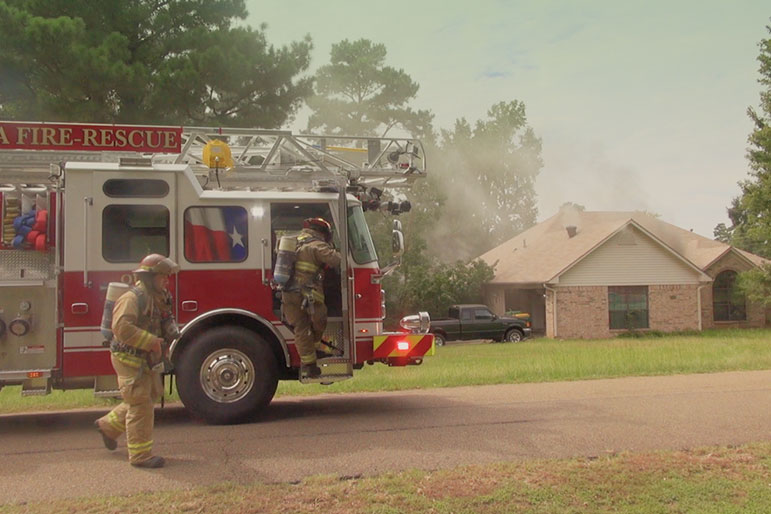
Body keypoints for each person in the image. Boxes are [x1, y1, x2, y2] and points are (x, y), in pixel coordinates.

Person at [94, 253, 180, 468]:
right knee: (141, 404)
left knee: (145, 396)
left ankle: (108, 426)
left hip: (143, 357)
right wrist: (150, 341)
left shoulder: (157, 297)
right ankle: (140, 456)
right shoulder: (132, 298)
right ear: (149, 278)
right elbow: (121, 328)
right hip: (128, 358)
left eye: (167, 277)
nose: (166, 281)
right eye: (162, 277)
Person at [281, 217, 342, 378]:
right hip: (308, 295)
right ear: (323, 232)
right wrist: (334, 249)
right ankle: (314, 348)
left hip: (288, 295)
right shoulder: (316, 245)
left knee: (301, 328)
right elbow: (336, 260)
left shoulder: (292, 242)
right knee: (319, 321)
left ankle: (309, 365)